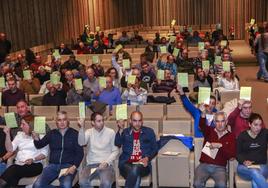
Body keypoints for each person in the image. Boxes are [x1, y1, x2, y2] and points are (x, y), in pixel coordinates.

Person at [32, 111, 84, 188]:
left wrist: (74, 167)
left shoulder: (75, 134)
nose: (62, 122)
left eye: (64, 119)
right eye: (59, 120)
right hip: (52, 166)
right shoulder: (51, 133)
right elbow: (39, 145)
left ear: (68, 121)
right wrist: (36, 138)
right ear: (56, 122)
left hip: (68, 166)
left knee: (66, 186)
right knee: (37, 185)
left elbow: (80, 153)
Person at [0, 115, 48, 187]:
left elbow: (44, 153)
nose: (21, 126)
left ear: (30, 125)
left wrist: (33, 159)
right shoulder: (20, 135)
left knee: (13, 169)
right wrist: (7, 134)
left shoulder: (41, 135)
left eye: (23, 124)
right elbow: (10, 149)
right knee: (12, 179)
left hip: (35, 165)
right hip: (19, 164)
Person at [194, 110, 236, 188]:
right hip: (204, 165)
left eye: (222, 121)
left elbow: (231, 155)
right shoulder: (209, 131)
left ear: (226, 122)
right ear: (214, 122)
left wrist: (220, 146)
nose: (220, 124)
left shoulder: (231, 136)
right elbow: (202, 125)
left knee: (222, 185)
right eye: (217, 121)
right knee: (197, 183)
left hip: (220, 167)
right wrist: (203, 115)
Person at [115, 111, 158, 188]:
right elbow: (117, 143)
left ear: (142, 121)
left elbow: (155, 148)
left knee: (136, 168)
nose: (137, 123)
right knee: (136, 177)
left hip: (143, 165)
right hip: (126, 164)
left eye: (139, 121)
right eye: (135, 121)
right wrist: (120, 130)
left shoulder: (149, 132)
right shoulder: (125, 132)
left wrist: (147, 158)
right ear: (130, 121)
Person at [78, 112, 119, 188]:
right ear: (93, 122)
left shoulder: (110, 132)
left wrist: (106, 162)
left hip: (106, 165)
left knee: (106, 183)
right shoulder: (89, 132)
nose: (102, 123)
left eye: (102, 120)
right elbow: (81, 143)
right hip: (91, 165)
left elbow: (115, 151)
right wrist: (82, 128)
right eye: (99, 121)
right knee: (82, 182)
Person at [236, 113, 268, 188]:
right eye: (255, 125)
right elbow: (238, 154)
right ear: (249, 124)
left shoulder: (265, 133)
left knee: (256, 179)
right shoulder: (242, 136)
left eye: (260, 125)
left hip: (261, 166)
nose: (258, 128)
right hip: (244, 168)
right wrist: (244, 161)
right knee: (254, 172)